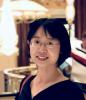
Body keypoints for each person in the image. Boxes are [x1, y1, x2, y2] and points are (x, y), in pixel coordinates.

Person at [15, 18, 85, 100]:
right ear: (29, 44)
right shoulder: (26, 82)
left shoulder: (71, 93)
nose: (42, 50)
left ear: (61, 48)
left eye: (50, 43)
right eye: (37, 42)